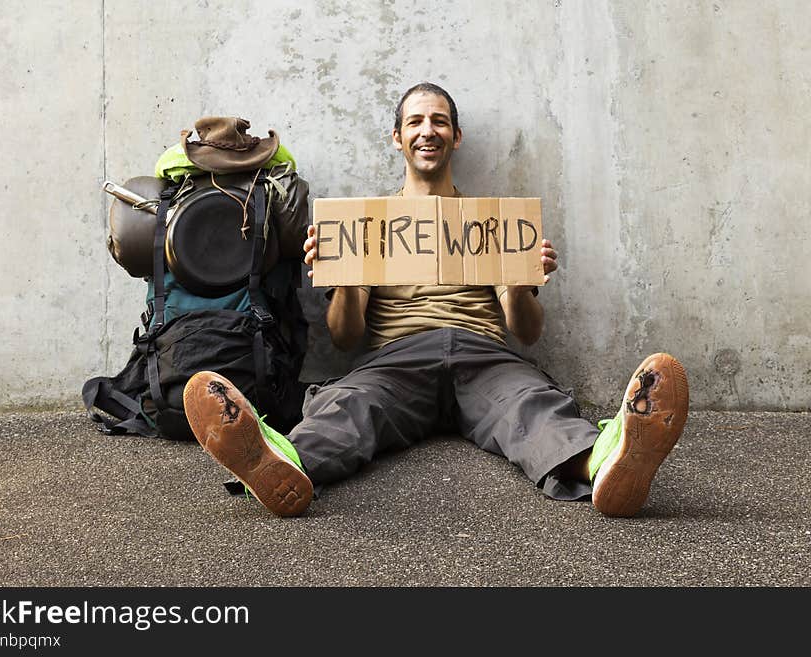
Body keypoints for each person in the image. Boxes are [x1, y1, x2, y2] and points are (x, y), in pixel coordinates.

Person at [182, 82, 689, 519]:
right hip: (396, 359)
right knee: (350, 408)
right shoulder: (366, 222)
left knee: (532, 408)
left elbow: (528, 332)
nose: (429, 130)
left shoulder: (491, 219)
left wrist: (517, 281)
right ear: (398, 137)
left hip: (484, 353)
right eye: (416, 122)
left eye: (440, 122)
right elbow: (344, 337)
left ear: (456, 136)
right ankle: (277, 464)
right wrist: (344, 281)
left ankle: (608, 464)